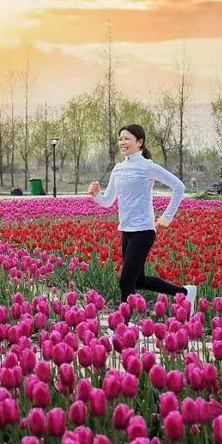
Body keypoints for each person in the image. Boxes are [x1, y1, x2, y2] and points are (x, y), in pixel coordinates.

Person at [88, 124, 196, 311]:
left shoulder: (147, 167)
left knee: (126, 281)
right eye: (120, 139)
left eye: (127, 139)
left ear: (139, 142)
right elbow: (107, 201)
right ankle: (185, 293)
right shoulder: (118, 169)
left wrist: (166, 217)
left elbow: (179, 187)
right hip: (126, 231)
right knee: (139, 280)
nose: (122, 142)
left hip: (143, 231)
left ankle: (123, 326)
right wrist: (96, 195)